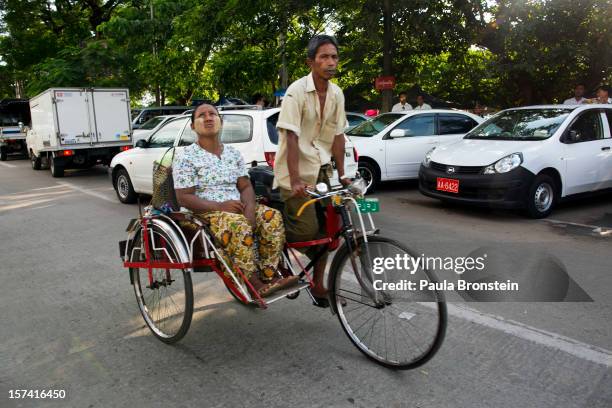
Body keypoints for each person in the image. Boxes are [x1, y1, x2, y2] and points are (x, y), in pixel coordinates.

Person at [173, 103, 298, 297]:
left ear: (220, 122)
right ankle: (252, 281)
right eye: (201, 116)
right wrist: (220, 206)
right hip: (206, 212)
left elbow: (245, 186)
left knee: (272, 216)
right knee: (237, 224)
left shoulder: (233, 153)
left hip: (237, 207)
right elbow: (184, 197)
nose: (208, 118)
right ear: (192, 126)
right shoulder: (186, 157)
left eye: (213, 114)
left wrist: (249, 210)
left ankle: (270, 275)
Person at [273, 34, 350, 307]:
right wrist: (294, 180)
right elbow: (290, 137)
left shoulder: (337, 93)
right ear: (311, 62)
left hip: (323, 172)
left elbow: (338, 136)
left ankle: (318, 285)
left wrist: (343, 174)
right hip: (294, 174)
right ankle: (273, 244)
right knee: (308, 233)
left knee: (331, 233)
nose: (331, 62)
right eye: (324, 57)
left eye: (334, 57)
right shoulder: (296, 92)